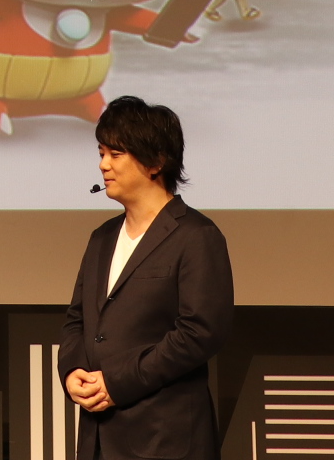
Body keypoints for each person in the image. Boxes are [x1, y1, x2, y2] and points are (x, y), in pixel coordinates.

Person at [59, 96, 235, 460]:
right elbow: (78, 319)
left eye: (116, 154)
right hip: (98, 438)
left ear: (156, 162)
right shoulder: (102, 238)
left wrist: (116, 382)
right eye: (101, 153)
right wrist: (72, 370)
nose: (103, 164)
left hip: (164, 439)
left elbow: (200, 333)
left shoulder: (196, 236)